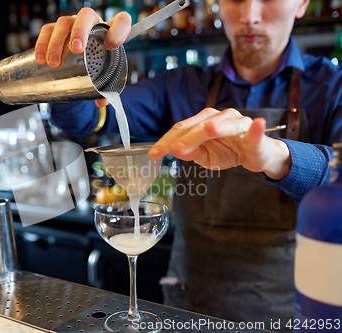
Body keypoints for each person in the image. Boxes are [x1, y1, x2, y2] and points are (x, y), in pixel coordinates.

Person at [34, 0, 342, 331]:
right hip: (188, 313)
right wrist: (72, 68)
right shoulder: (180, 86)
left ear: (302, 4)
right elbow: (86, 119)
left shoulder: (332, 88)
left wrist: (276, 155)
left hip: (293, 314)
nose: (250, 15)